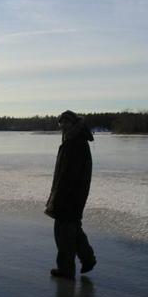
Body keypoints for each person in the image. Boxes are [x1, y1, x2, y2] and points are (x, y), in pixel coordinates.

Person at [45, 110, 96, 279]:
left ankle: (66, 269)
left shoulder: (75, 143)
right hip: (72, 193)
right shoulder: (72, 140)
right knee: (72, 227)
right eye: (62, 122)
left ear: (74, 124)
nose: (63, 125)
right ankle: (88, 259)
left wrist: (60, 196)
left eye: (67, 122)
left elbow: (70, 174)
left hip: (70, 194)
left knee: (63, 231)